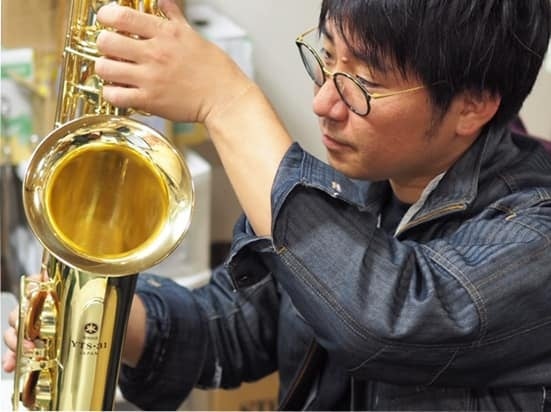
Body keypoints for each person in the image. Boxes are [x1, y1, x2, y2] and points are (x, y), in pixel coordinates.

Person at [5, 0, 551, 410]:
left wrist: (227, 100)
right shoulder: (360, 179)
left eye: (363, 82)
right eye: (326, 58)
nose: (324, 103)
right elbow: (235, 327)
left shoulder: (536, 228)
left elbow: (388, 318)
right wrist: (102, 318)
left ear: (472, 105)